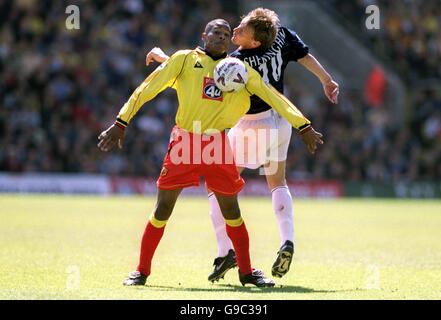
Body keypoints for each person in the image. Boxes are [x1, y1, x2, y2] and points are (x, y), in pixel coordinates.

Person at [98, 19, 323, 288]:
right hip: (185, 142)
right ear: (204, 35)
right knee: (162, 209)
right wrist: (121, 122)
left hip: (217, 144)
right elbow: (148, 88)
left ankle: (246, 271)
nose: (221, 36)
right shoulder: (183, 60)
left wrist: (303, 124)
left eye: (226, 34)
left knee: (232, 210)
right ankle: (141, 271)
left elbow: (273, 96)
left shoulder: (238, 71)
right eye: (215, 31)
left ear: (230, 41)